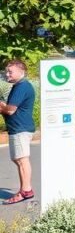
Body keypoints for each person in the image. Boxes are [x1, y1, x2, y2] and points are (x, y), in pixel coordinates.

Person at [1, 60, 35, 205]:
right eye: (6, 71)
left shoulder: (22, 86)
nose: (7, 74)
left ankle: (26, 191)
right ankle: (26, 189)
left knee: (22, 160)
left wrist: (2, 107)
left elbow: (10, 110)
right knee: (18, 159)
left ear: (21, 72)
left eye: (10, 71)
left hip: (21, 128)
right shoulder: (19, 86)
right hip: (18, 128)